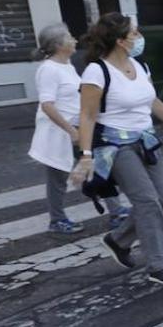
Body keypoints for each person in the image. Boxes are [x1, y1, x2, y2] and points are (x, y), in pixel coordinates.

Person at [69, 13, 163, 286]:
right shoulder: (97, 71)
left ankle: (118, 240)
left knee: (161, 200)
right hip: (115, 147)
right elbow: (87, 116)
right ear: (120, 41)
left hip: (146, 141)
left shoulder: (140, 66)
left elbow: (152, 101)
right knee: (148, 202)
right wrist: (87, 155)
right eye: (134, 34)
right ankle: (160, 265)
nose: (139, 38)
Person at [29, 24, 127, 235]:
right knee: (58, 179)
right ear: (58, 44)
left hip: (78, 128)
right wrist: (70, 131)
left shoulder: (67, 66)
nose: (74, 41)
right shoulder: (48, 69)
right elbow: (47, 105)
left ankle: (117, 211)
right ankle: (57, 220)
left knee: (98, 166)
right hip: (60, 133)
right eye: (69, 37)